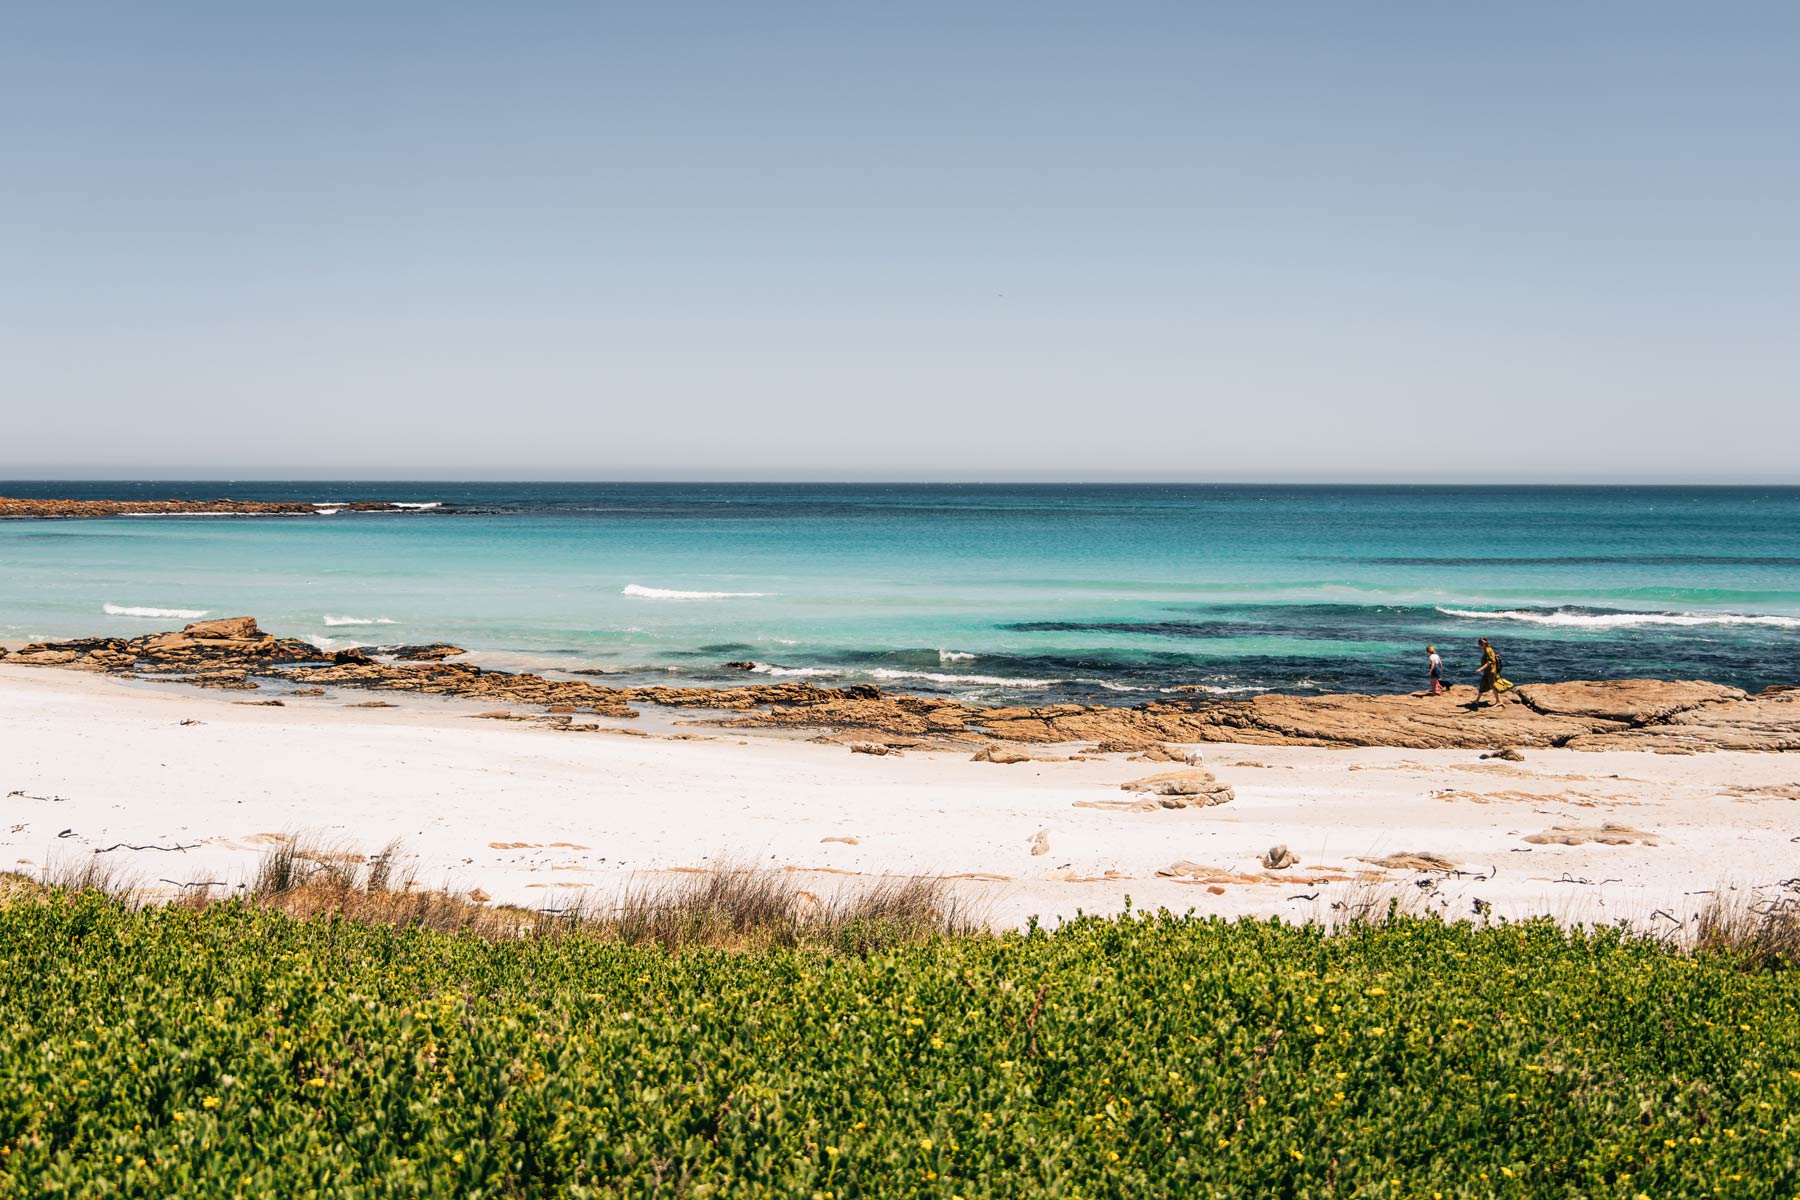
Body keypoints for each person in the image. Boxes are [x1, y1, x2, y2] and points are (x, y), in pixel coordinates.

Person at [1472, 637, 1513, 708]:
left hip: (1490, 672)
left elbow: (1489, 662)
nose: (1479, 647)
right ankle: (1477, 700)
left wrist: (1480, 669)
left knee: (1493, 686)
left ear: (1482, 645)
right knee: (1482, 685)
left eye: (1480, 645)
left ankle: (1498, 701)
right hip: (1487, 672)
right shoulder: (1488, 649)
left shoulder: (1488, 650)